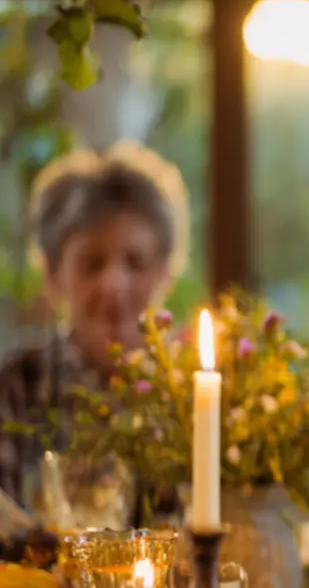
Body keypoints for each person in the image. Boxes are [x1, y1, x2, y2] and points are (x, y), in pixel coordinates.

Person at [0, 141, 189, 512]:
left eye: (135, 261)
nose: (114, 285)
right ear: (53, 275)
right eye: (92, 263)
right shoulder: (14, 389)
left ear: (166, 272)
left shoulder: (194, 398)